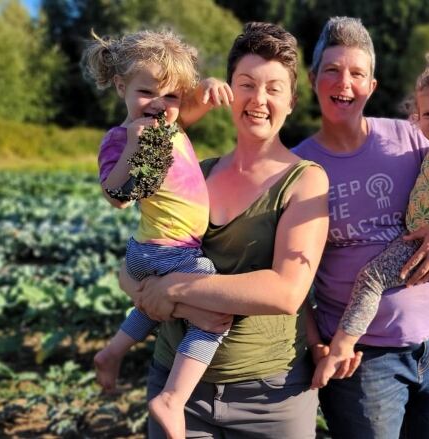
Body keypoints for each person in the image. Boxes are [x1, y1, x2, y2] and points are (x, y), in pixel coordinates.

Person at [119, 22, 337, 438]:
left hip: (270, 398)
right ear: (229, 92)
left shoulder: (306, 181)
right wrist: (135, 285)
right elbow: (137, 260)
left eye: (274, 88)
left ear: (291, 101)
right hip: (176, 389)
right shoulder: (193, 171)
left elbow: (286, 291)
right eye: (247, 84)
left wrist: (175, 291)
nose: (259, 99)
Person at [293, 17, 429, 439]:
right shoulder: (295, 167)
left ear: (371, 86)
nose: (345, 83)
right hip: (365, 361)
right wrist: (316, 344)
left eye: (357, 74)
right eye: (332, 70)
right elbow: (289, 273)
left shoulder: (412, 136)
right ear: (312, 79)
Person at [82, 29, 233, 438]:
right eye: (147, 92)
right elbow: (117, 196)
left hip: (165, 251)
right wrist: (134, 144)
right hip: (164, 252)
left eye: (171, 96)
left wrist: (210, 86)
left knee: (149, 307)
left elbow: (195, 102)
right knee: (216, 315)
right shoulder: (122, 137)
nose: (160, 105)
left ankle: (112, 352)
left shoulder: (173, 126)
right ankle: (173, 398)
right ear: (121, 87)